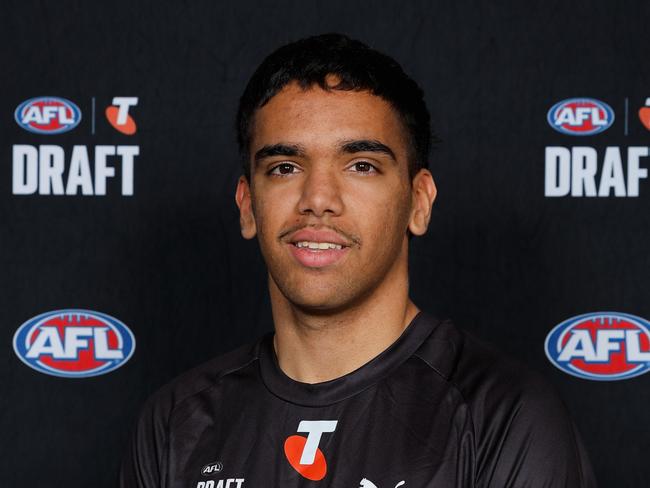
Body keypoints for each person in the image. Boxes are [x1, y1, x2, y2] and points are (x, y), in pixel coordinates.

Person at [120, 33, 596, 488]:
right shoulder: (176, 423)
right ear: (248, 205)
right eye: (285, 167)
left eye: (361, 165)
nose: (318, 199)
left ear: (419, 201)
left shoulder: (504, 417)